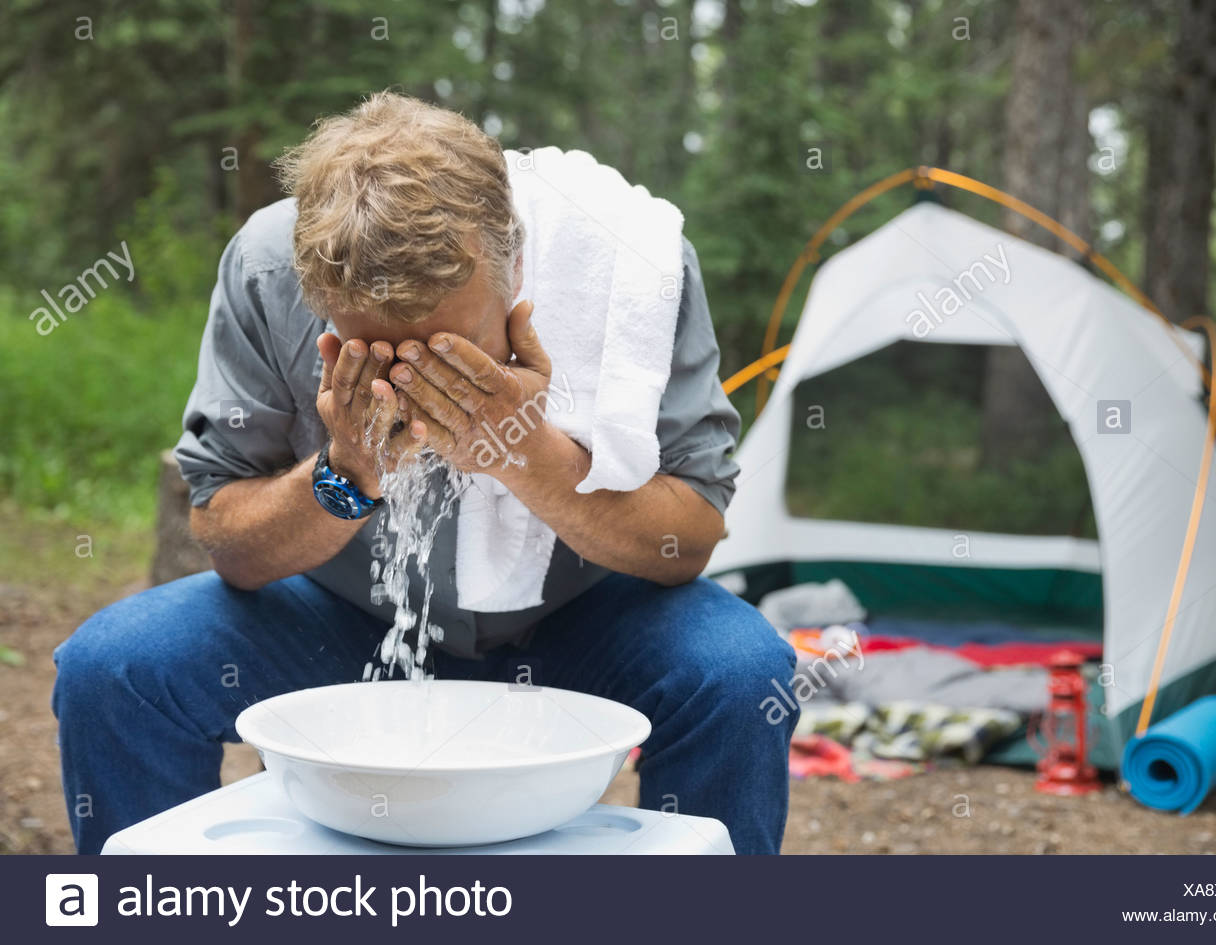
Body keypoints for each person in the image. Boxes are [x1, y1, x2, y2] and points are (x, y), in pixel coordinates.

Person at [51, 91, 797, 855]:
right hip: (345, 614)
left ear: (516, 264)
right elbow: (226, 539)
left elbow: (690, 537)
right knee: (115, 669)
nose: (417, 389)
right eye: (379, 357)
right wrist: (347, 472)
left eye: (450, 352)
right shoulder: (267, 267)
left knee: (741, 673)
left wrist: (525, 456)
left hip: (581, 616)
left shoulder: (633, 267)